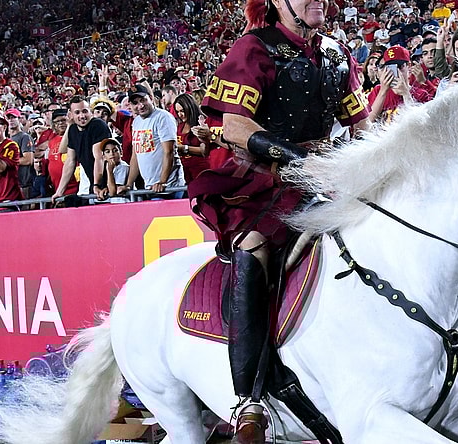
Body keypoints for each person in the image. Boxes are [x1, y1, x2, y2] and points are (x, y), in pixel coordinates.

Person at [187, 0, 370, 440]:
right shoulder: (253, 48)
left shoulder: (335, 53)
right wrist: (295, 159)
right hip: (264, 177)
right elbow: (234, 127)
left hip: (326, 171)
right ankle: (248, 399)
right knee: (254, 245)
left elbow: (361, 125)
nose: (319, 2)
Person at [124, 84, 184, 197]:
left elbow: (169, 151)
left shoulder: (163, 117)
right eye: (135, 103)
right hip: (151, 187)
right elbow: (135, 155)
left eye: (143, 100)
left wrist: (163, 181)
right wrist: (129, 184)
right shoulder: (136, 122)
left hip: (170, 186)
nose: (140, 105)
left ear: (151, 98)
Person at [52, 96, 111, 201]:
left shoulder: (98, 125)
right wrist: (60, 191)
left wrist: (97, 185)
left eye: (85, 111)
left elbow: (99, 158)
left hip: (111, 182)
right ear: (70, 115)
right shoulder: (72, 130)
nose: (82, 116)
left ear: (91, 112)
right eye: (77, 112)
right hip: (94, 184)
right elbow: (70, 161)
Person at [368, 45, 433, 123]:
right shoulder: (377, 90)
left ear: (408, 66)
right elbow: (368, 122)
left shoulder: (421, 94)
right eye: (390, 67)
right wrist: (383, 91)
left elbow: (420, 124)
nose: (396, 72)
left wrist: (406, 95)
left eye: (399, 66)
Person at [173, 93, 210, 183]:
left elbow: (204, 150)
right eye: (177, 112)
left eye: (182, 110)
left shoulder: (202, 123)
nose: (180, 114)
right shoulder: (179, 126)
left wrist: (185, 148)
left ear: (190, 108)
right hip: (185, 172)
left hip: (202, 171)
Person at [5, 108, 35, 200]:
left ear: (19, 119)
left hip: (25, 184)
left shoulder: (24, 137)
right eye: (8, 118)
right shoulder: (6, 140)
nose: (11, 120)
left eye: (13, 117)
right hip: (12, 184)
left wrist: (6, 162)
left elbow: (28, 160)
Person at [95, 138, 130, 203]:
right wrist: (106, 189)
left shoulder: (123, 167)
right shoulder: (108, 167)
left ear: (121, 153)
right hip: (115, 204)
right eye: (107, 152)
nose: (112, 154)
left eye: (115, 150)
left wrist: (109, 171)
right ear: (104, 157)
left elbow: (113, 192)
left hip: (124, 203)